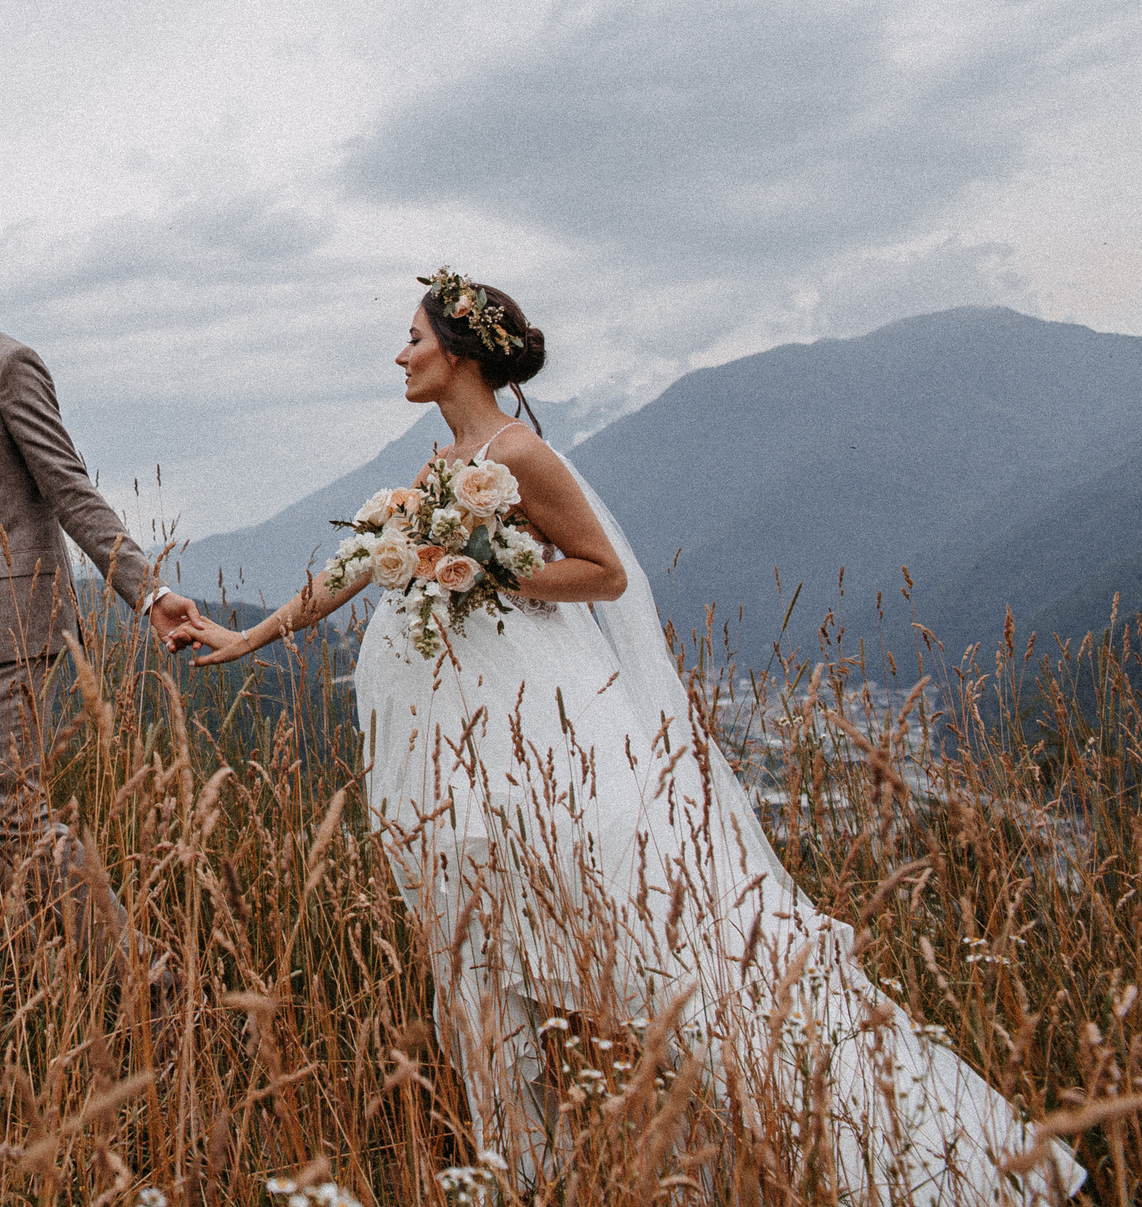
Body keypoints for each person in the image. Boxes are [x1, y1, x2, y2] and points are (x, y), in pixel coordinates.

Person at [172, 269, 1081, 1202]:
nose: (400, 354)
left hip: (532, 724)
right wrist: (245, 636)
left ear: (463, 351)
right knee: (484, 951)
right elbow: (361, 564)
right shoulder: (439, 467)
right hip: (462, 742)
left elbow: (602, 572)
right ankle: (533, 1166)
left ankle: (896, 1148)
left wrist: (482, 569)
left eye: (412, 336)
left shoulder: (519, 456)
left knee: (645, 945)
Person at [0, 221, 195, 988]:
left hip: (15, 630)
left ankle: (144, 981)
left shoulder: (7, 365)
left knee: (10, 816)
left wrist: (146, 591)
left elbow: (68, 487)